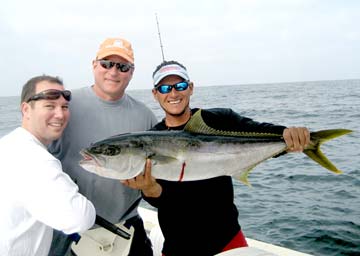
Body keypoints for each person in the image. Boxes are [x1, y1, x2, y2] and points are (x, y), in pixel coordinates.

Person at [122, 60, 310, 256]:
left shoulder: (220, 120)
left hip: (228, 239)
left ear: (191, 88)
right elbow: (164, 201)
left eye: (180, 86)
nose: (174, 93)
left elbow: (259, 132)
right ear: (155, 94)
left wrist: (288, 135)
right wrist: (151, 190)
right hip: (179, 246)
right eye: (164, 88)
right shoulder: (151, 140)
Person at [48, 37, 158, 255]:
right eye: (106, 63)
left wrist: (149, 186)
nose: (113, 72)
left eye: (122, 66)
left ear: (131, 72)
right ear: (94, 65)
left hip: (126, 226)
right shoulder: (64, 106)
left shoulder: (145, 117)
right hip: (70, 232)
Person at [0, 75, 96, 256]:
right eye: (49, 106)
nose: (60, 114)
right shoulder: (36, 159)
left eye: (64, 107)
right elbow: (81, 218)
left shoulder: (8, 144)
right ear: (26, 109)